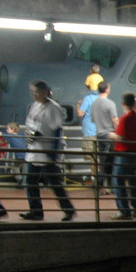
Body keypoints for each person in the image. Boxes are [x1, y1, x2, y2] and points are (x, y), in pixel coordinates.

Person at [21, 80, 76, 221]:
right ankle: (36, 210)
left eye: (38, 92)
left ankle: (68, 209)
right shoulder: (34, 106)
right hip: (34, 149)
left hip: (47, 151)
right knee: (30, 181)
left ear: (45, 91)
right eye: (33, 92)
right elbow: (30, 124)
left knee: (54, 182)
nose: (35, 95)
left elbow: (57, 130)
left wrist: (53, 153)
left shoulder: (53, 108)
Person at [109, 91, 136, 219]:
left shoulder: (125, 118)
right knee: (134, 182)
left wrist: (112, 135)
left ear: (123, 103)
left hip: (124, 154)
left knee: (118, 182)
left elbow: (122, 137)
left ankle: (124, 211)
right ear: (135, 103)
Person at [90, 81, 119, 193]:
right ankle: (99, 183)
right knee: (109, 162)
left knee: (103, 160)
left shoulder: (94, 103)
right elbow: (115, 120)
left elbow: (93, 119)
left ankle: (107, 185)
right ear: (107, 89)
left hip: (99, 135)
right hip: (109, 135)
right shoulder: (110, 103)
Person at [76, 79, 101, 185]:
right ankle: (101, 179)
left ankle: (95, 181)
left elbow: (80, 114)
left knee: (93, 158)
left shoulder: (88, 98)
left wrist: (78, 105)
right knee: (99, 157)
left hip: (90, 131)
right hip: (100, 131)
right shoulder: (101, 98)